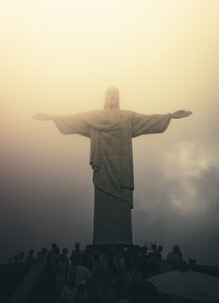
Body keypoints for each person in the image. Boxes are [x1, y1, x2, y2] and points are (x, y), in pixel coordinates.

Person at [33, 88, 192, 245]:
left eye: (115, 94)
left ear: (119, 97)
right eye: (110, 93)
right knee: (103, 200)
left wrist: (170, 116)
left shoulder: (127, 116)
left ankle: (122, 241)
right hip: (102, 165)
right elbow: (75, 119)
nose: (112, 96)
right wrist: (53, 117)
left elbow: (148, 120)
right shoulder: (94, 116)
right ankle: (102, 240)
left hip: (121, 168)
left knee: (120, 200)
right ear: (105, 97)